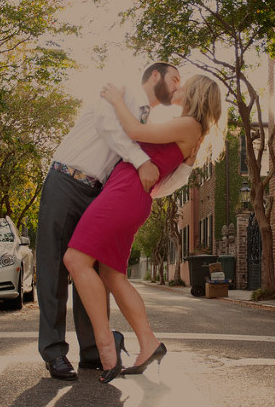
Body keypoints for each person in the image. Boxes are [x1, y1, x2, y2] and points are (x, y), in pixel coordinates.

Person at [36, 63, 193, 381]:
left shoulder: (147, 122)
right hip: (67, 179)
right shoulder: (121, 89)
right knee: (54, 269)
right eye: (175, 78)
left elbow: (153, 170)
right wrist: (141, 160)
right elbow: (107, 125)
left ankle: (93, 351)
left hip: (98, 193)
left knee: (90, 271)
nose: (178, 86)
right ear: (155, 75)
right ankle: (54, 352)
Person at [63, 75, 223, 383]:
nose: (179, 87)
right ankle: (148, 343)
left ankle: (106, 346)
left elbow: (135, 131)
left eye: (184, 84)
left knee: (75, 259)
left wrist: (115, 100)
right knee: (112, 275)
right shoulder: (189, 129)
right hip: (131, 195)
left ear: (196, 93)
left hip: (124, 193)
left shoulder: (189, 125)